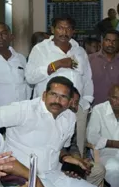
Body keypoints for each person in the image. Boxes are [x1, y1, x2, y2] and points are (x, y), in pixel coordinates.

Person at [0, 76, 107, 187]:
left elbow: (59, 148)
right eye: (53, 94)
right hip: (26, 176)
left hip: (54, 172)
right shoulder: (24, 110)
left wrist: (68, 159)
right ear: (44, 95)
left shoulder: (69, 118)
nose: (57, 101)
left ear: (70, 101)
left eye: (63, 97)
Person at [26, 15, 93, 155]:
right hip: (50, 107)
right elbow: (30, 77)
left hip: (76, 107)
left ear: (73, 31)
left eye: (68, 28)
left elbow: (87, 78)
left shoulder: (79, 51)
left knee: (77, 146)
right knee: (49, 145)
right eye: (60, 28)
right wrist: (57, 65)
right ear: (52, 29)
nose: (64, 32)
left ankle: (76, 173)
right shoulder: (40, 49)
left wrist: (85, 102)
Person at [0, 22, 30, 107]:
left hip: (22, 111)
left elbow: (27, 85)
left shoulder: (21, 58)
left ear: (11, 37)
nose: (0, 37)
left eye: (4, 34)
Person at [89, 29, 119, 105]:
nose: (111, 44)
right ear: (102, 42)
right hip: (93, 108)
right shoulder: (90, 60)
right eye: (108, 40)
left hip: (115, 109)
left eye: (114, 41)